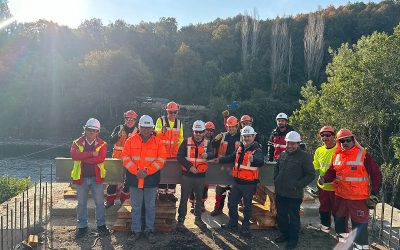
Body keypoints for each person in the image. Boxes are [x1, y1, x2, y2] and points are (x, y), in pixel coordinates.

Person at [320, 129, 382, 249]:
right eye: (342, 141)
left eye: (348, 140)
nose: (345, 143)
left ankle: (361, 246)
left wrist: (374, 193)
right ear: (339, 142)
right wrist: (325, 179)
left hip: (358, 198)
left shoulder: (363, 155)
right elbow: (332, 171)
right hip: (340, 196)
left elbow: (376, 174)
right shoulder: (337, 156)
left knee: (359, 223)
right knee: (339, 220)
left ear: (353, 140)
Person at [121, 115, 167, 245]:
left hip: (150, 179)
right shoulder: (130, 141)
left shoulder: (158, 142)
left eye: (149, 127)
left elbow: (161, 158)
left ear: (152, 128)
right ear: (139, 127)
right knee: (135, 207)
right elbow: (125, 157)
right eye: (144, 127)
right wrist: (137, 171)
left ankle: (149, 230)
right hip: (135, 179)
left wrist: (147, 171)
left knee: (150, 207)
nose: (146, 130)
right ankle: (136, 231)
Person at [218, 126, 264, 238]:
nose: (247, 138)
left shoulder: (257, 149)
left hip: (249, 184)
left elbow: (261, 161)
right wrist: (219, 160)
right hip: (237, 182)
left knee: (247, 207)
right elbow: (232, 157)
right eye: (245, 136)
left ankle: (245, 228)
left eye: (249, 136)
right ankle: (233, 223)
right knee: (232, 204)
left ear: (253, 136)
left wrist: (255, 160)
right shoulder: (240, 147)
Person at [274, 131, 315, 249]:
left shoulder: (304, 156)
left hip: (294, 194)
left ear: (298, 143)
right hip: (280, 192)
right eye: (288, 143)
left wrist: (297, 185)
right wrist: (276, 180)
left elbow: (310, 174)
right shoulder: (283, 154)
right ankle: (285, 235)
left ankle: (293, 239)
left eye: (293, 144)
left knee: (293, 217)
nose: (290, 146)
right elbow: (276, 167)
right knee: (281, 216)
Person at [70, 118, 110, 238]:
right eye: (89, 129)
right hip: (81, 178)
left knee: (99, 203)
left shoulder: (102, 144)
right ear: (85, 129)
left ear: (98, 132)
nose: (92, 132)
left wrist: (83, 158)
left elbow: (100, 158)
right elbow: (73, 155)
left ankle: (101, 225)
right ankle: (82, 226)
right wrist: (91, 154)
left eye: (95, 130)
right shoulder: (77, 142)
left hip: (96, 178)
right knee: (81, 203)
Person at [176, 120, 214, 229]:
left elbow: (212, 154)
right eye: (196, 132)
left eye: (200, 132)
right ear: (193, 131)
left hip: (200, 176)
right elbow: (179, 156)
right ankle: (181, 220)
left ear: (203, 132)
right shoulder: (186, 141)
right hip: (187, 175)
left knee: (199, 199)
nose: (198, 134)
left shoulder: (207, 143)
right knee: (184, 199)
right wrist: (189, 167)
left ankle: (198, 219)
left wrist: (208, 155)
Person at [105, 110, 138, 208]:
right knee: (113, 182)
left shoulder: (137, 130)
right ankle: (110, 201)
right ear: (125, 119)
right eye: (128, 119)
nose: (130, 121)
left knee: (128, 182)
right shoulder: (118, 128)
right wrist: (118, 135)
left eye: (132, 119)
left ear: (135, 120)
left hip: (130, 160)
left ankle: (124, 200)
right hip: (117, 159)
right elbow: (110, 141)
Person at [210, 116, 241, 216]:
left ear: (237, 126)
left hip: (235, 168)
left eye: (233, 127)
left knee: (233, 192)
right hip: (222, 167)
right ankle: (218, 209)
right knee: (220, 190)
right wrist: (214, 140)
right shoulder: (222, 136)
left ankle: (232, 212)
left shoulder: (241, 137)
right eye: (229, 127)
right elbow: (212, 146)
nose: (230, 129)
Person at [155, 101, 183, 202]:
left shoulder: (179, 123)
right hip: (162, 153)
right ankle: (162, 194)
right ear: (167, 112)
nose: (172, 114)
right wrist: (161, 130)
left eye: (174, 112)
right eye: (170, 112)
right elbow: (156, 132)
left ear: (177, 112)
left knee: (172, 174)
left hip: (174, 154)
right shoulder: (161, 120)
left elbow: (180, 139)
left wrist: (180, 151)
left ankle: (170, 194)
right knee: (162, 174)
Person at [313, 126, 337, 233]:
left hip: (335, 187)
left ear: (333, 136)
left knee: (337, 210)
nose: (325, 137)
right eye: (323, 135)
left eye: (328, 135)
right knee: (324, 207)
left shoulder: (338, 150)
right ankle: (325, 227)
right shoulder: (319, 150)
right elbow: (316, 166)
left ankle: (340, 230)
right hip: (323, 187)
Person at [189, 121, 215, 214]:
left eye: (211, 130)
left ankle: (202, 204)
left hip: (205, 168)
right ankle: (193, 204)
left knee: (204, 187)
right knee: (192, 187)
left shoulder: (214, 141)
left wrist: (208, 155)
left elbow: (212, 153)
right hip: (193, 169)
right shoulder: (191, 140)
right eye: (208, 130)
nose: (209, 132)